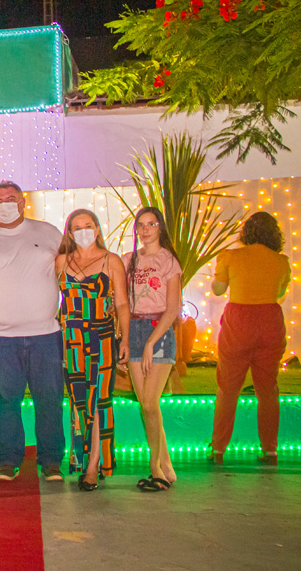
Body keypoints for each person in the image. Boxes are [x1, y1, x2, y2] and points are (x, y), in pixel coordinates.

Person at [0, 181, 65, 482]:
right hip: (1, 339)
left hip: (46, 335)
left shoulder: (49, 233)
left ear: (22, 203)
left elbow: (70, 272)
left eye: (10, 198)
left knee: (49, 400)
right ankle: (8, 459)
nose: (5, 204)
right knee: (6, 401)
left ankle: (51, 460)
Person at [210, 211, 292, 466]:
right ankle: (270, 450)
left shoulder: (230, 256)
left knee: (228, 388)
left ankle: (218, 448)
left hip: (239, 323)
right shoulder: (281, 262)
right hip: (270, 321)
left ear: (246, 232)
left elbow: (218, 290)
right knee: (268, 390)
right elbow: (280, 293)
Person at [55, 209, 129, 491]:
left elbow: (121, 303)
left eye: (89, 225)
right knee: (79, 399)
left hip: (102, 337)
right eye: (77, 227)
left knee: (99, 398)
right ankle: (80, 458)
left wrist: (125, 339)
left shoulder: (111, 261)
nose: (83, 231)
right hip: (70, 339)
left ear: (97, 229)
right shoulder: (62, 261)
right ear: (70, 233)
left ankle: (94, 465)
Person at [122, 206, 182, 491]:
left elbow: (173, 308)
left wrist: (151, 342)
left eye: (151, 224)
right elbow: (121, 302)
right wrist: (123, 339)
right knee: (147, 404)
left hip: (159, 330)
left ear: (160, 227)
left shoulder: (168, 260)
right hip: (133, 329)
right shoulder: (128, 260)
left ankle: (155, 466)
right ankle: (165, 463)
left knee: (148, 402)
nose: (145, 230)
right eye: (141, 225)